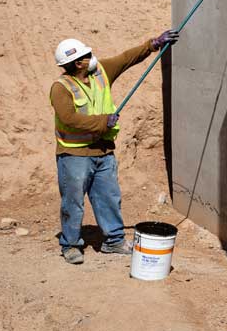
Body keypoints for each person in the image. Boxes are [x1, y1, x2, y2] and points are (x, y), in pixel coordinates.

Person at [50, 31, 179, 265]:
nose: (92, 56)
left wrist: (152, 44)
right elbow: (68, 118)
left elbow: (126, 58)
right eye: (87, 55)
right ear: (77, 63)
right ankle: (70, 244)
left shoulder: (100, 73)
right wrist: (102, 121)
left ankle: (114, 241)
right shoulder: (61, 88)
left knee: (108, 197)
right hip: (74, 155)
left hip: (103, 151)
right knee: (73, 201)